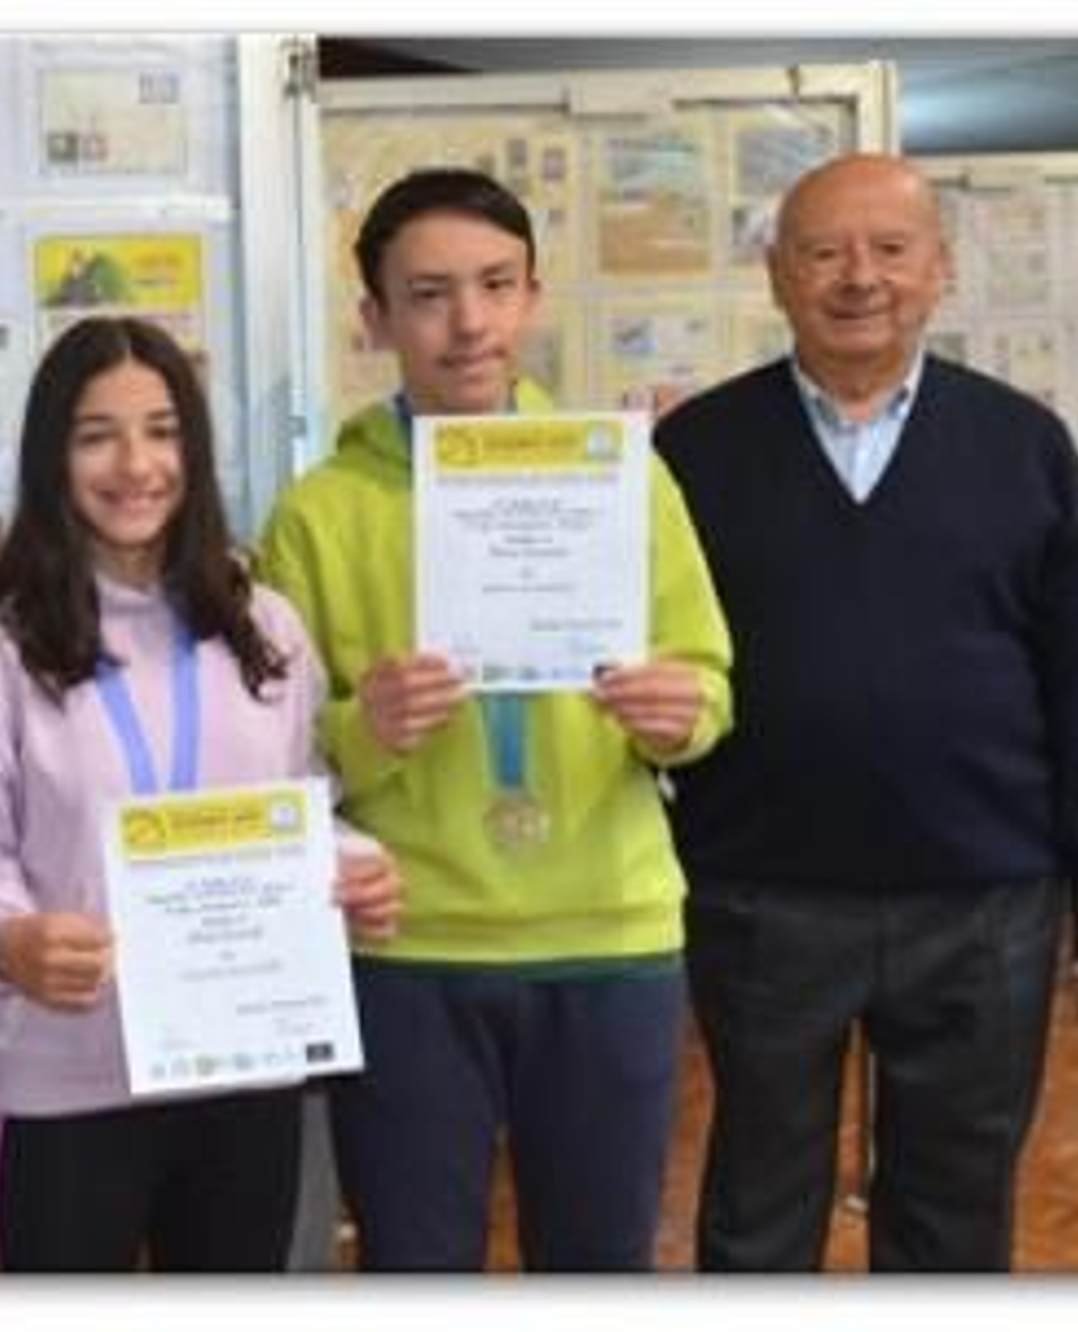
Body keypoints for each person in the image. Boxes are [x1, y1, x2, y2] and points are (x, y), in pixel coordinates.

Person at [653, 152, 1078, 1272]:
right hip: (758, 900)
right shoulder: (691, 453)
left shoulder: (1023, 445)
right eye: (824, 251)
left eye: (890, 249)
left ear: (941, 269)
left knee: (955, 1219)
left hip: (984, 905)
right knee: (754, 1213)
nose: (858, 278)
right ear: (777, 275)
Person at [256, 167, 734, 1271]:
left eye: (494, 285)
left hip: (610, 937)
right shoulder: (319, 514)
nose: (467, 323)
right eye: (427, 294)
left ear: (530, 297)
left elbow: (709, 682)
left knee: (600, 1263)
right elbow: (282, 756)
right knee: (418, 1265)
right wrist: (365, 723)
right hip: (409, 947)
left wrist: (677, 713)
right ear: (373, 319)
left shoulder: (624, 483)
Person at [0, 315, 402, 1273]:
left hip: (245, 1072)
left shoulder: (266, 629)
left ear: (194, 450)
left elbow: (297, 811)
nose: (136, 464)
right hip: (66, 1085)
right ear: (54, 457)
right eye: (97, 435)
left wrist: (356, 871)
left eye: (163, 430)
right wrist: (11, 941)